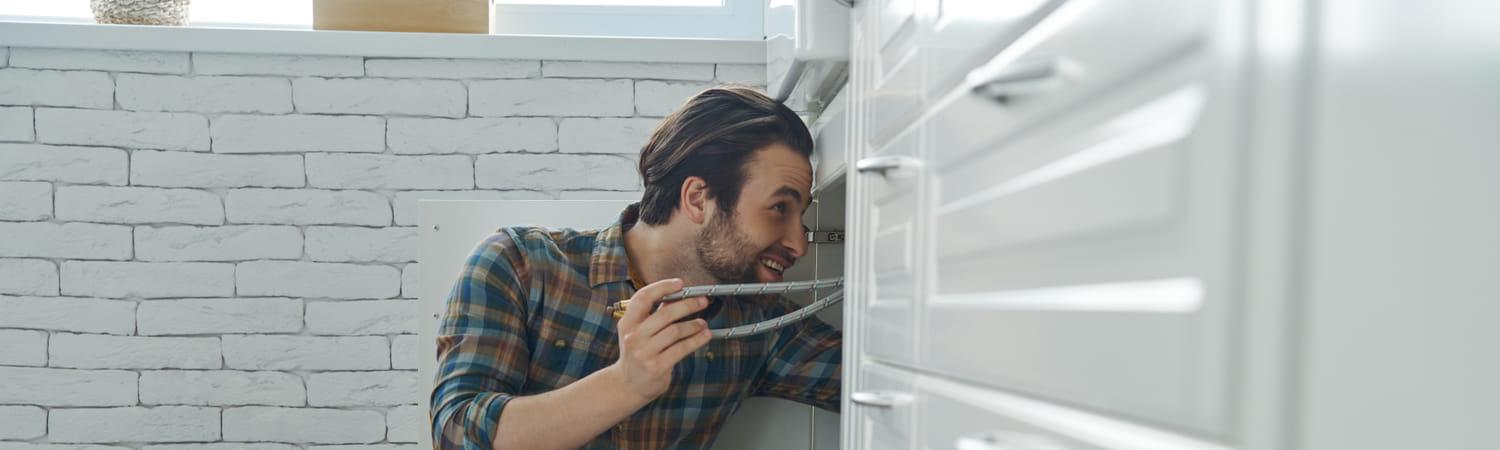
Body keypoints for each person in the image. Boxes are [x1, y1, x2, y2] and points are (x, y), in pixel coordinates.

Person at [430, 86, 841, 449]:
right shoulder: (521, 265)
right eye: (779, 208)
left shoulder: (761, 323)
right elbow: (457, 434)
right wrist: (625, 384)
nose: (799, 243)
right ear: (698, 198)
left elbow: (880, 381)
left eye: (800, 215)